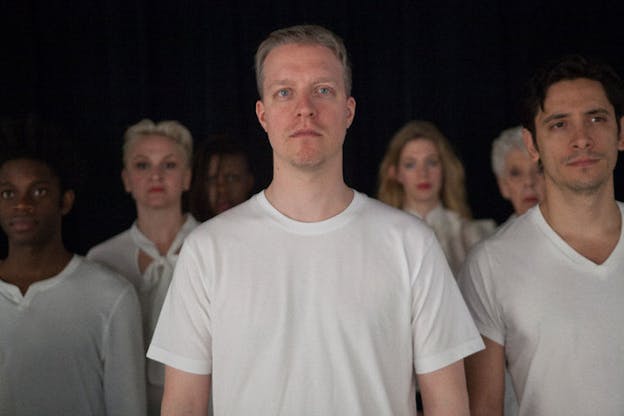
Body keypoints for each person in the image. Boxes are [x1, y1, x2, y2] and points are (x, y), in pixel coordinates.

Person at [147, 24, 483, 415]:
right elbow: (183, 406)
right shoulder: (208, 249)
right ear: (263, 115)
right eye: (284, 92)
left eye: (322, 90)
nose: (304, 107)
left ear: (349, 110)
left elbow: (449, 405)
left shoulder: (411, 243)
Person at [459, 55, 624, 415]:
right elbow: (483, 409)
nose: (582, 139)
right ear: (532, 145)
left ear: (621, 133)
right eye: (559, 124)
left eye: (596, 118)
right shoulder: (491, 264)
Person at [0, 118, 146, 415]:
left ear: (65, 201)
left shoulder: (111, 295)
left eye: (38, 191)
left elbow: (128, 407)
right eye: (8, 193)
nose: (22, 204)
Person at [87, 119, 198, 415]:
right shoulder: (101, 260)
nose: (156, 176)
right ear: (126, 179)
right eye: (142, 165)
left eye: (169, 165)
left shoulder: (216, 248)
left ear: (187, 177)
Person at [378, 120, 496, 275]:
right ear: (396, 173)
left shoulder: (474, 235)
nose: (423, 173)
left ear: (444, 167)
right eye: (410, 164)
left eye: (431, 162)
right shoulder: (381, 236)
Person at [188, 138, 254, 221]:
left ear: (249, 181)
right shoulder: (191, 232)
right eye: (212, 179)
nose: (222, 189)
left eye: (232, 178)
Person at [491, 126, 544, 219]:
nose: (529, 181)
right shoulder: (502, 234)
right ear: (503, 185)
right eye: (516, 173)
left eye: (539, 170)